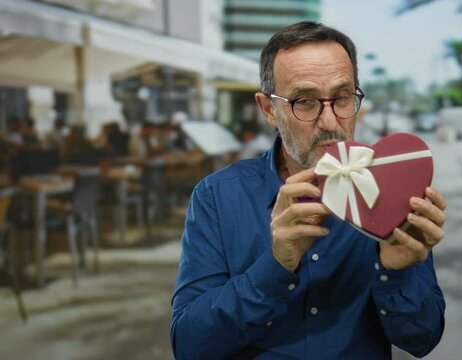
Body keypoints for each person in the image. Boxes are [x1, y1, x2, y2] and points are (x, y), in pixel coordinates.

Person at [171, 22, 447, 359]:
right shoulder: (218, 196)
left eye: (342, 98)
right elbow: (189, 347)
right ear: (269, 109)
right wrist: (275, 266)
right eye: (305, 102)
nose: (330, 122)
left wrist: (396, 272)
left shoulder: (393, 192)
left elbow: (423, 340)